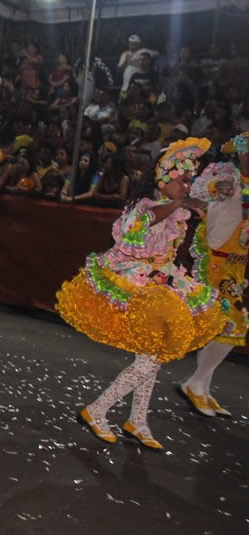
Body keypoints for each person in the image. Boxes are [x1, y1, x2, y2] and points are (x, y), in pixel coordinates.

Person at [56, 139, 225, 449]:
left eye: (189, 180)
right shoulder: (146, 206)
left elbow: (200, 199)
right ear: (164, 180)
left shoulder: (171, 205)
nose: (187, 186)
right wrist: (180, 203)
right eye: (183, 180)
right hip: (138, 285)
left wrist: (195, 200)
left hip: (161, 282)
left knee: (151, 356)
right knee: (150, 359)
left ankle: (137, 420)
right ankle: (97, 410)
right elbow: (139, 225)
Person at [180, 134, 248, 416]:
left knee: (221, 325)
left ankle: (202, 387)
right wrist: (215, 187)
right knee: (236, 323)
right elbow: (198, 192)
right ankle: (195, 383)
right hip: (217, 262)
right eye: (246, 152)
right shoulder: (227, 176)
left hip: (237, 264)